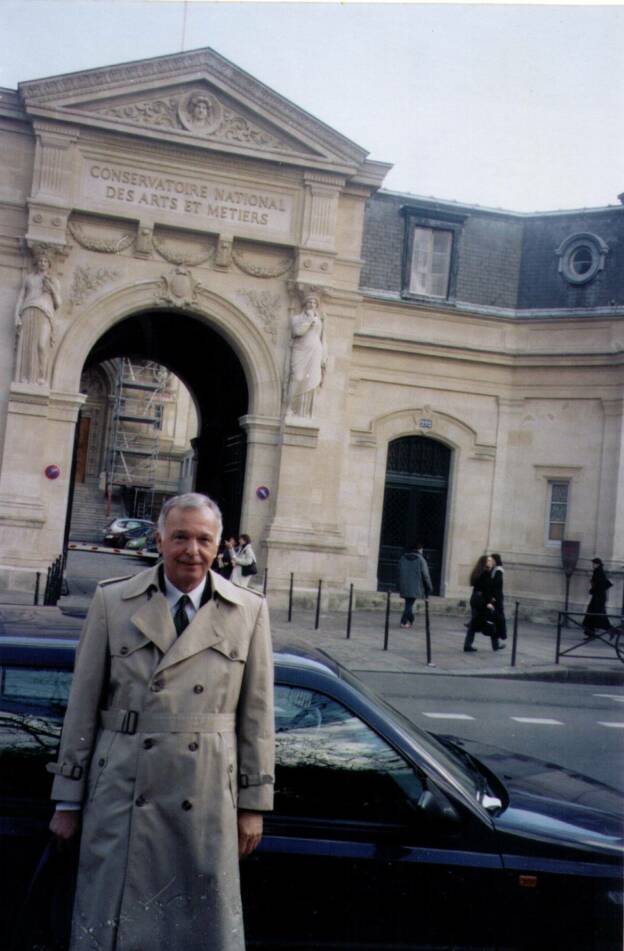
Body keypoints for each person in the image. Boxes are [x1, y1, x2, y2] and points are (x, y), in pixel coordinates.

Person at [47, 492, 274, 951]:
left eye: (204, 539)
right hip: (123, 789)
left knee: (194, 929)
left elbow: (257, 715)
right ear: (159, 540)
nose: (192, 550)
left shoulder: (248, 610)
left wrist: (253, 805)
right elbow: (83, 705)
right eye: (180, 538)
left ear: (220, 546)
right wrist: (67, 799)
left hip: (207, 794)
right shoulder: (114, 602)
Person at [14, 250, 61, 385]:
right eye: (40, 261)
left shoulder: (53, 280)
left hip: (45, 313)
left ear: (49, 264)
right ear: (36, 263)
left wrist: (51, 289)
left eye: (45, 261)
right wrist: (16, 316)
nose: (42, 263)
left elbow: (58, 303)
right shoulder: (29, 278)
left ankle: (41, 375)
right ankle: (26, 377)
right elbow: (20, 298)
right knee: (27, 346)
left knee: (41, 345)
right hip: (28, 310)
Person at [286, 294, 328, 417]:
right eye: (309, 302)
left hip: (315, 350)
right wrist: (309, 320)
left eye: (314, 303)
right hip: (300, 349)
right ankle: (288, 407)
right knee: (297, 378)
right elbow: (297, 332)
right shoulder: (297, 318)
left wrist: (324, 356)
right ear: (304, 304)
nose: (312, 305)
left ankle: (304, 412)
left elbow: (323, 338)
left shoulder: (320, 319)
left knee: (311, 379)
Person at [463, 554, 504, 652]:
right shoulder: (484, 574)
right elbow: (485, 590)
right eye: (489, 560)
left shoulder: (478, 572)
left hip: (476, 599)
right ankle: (494, 645)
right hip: (481, 601)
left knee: (478, 622)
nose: (491, 562)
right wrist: (489, 602)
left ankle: (468, 645)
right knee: (488, 621)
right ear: (484, 562)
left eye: (491, 560)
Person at [398, 542, 432, 628]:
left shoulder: (403, 558)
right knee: (409, 604)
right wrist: (429, 587)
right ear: (419, 550)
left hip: (404, 585)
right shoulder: (421, 559)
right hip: (416, 586)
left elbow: (399, 571)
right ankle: (405, 621)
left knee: (408, 603)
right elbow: (426, 575)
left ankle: (408, 620)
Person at [582, 557, 613, 638]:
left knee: (596, 615)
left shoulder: (599, 572)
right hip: (598, 597)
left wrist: (593, 589)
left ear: (598, 564)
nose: (593, 565)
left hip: (598, 598)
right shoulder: (597, 572)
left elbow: (602, 585)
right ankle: (591, 633)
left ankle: (609, 630)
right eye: (593, 564)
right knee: (594, 615)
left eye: (594, 564)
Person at [490, 553, 507, 641]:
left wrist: (494, 596)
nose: (491, 561)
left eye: (492, 560)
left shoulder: (498, 570)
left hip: (497, 597)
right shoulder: (494, 569)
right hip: (494, 596)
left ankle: (502, 634)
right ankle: (497, 635)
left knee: (499, 615)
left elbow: (497, 584)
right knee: (495, 616)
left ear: (495, 560)